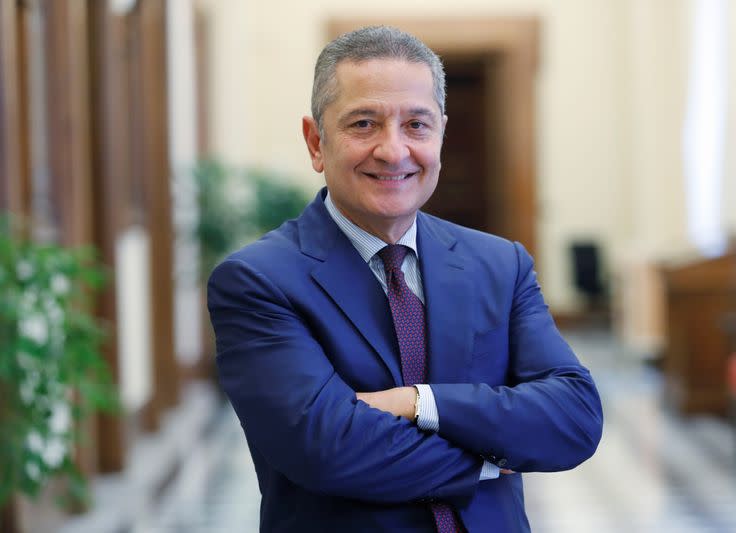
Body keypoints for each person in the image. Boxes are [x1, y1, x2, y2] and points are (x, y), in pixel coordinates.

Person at [207, 25, 603, 533]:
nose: (393, 151)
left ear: (440, 135)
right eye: (364, 124)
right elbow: (328, 450)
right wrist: (487, 458)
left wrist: (420, 403)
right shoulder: (257, 281)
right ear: (315, 142)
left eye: (417, 125)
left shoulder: (500, 264)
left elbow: (574, 418)